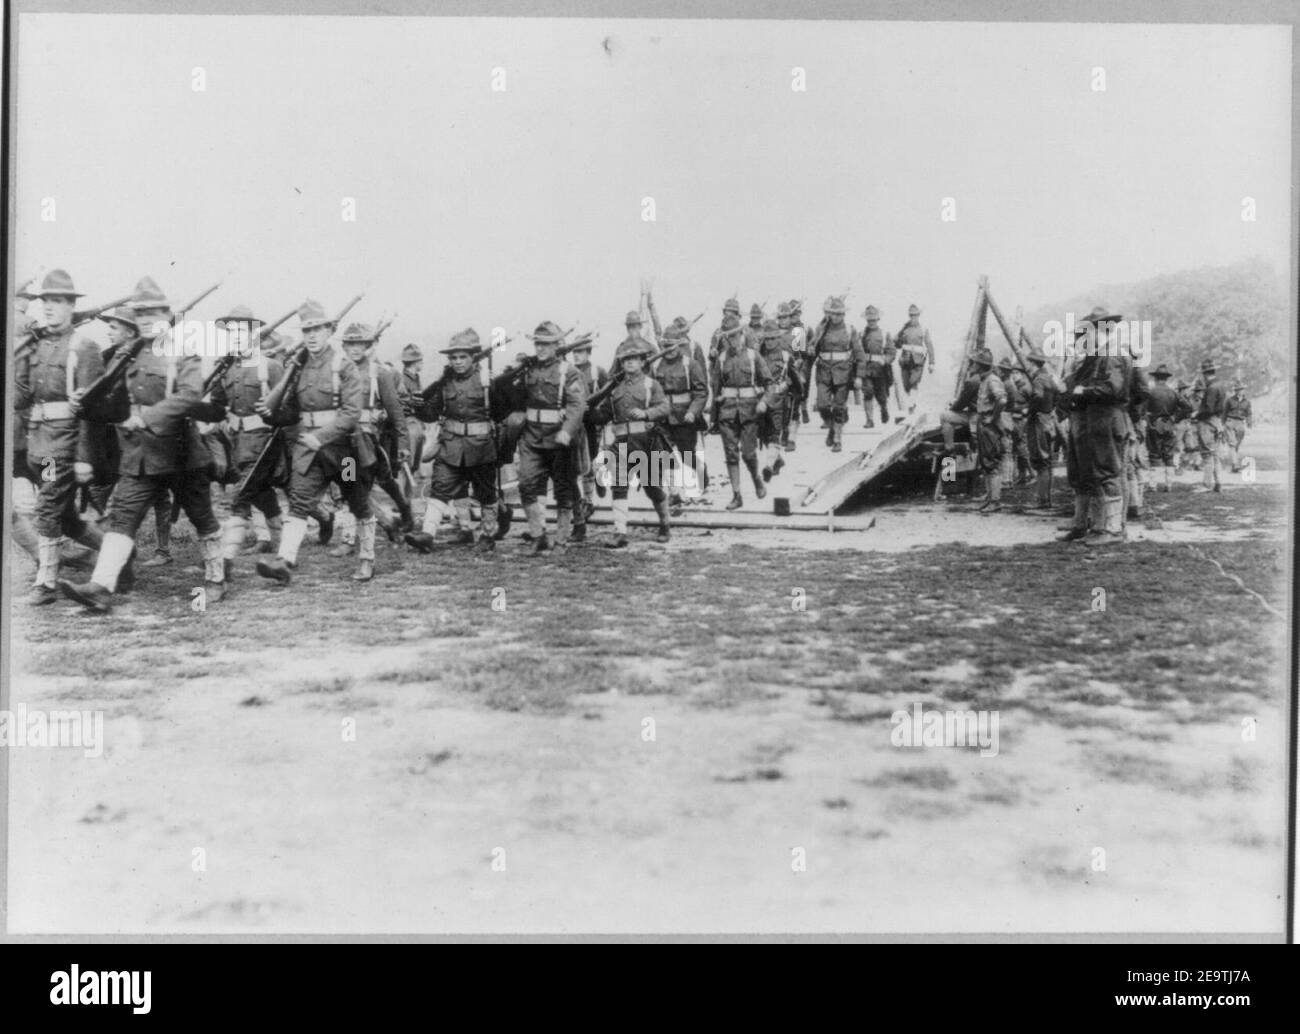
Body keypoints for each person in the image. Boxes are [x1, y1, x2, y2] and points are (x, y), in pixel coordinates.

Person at [61, 276, 226, 611]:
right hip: (139, 456)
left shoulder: (183, 350)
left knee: (202, 517)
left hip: (180, 453)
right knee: (122, 519)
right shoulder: (129, 354)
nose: (147, 318)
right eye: (141, 313)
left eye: (153, 312)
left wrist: (148, 418)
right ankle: (101, 587)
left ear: (167, 313)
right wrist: (87, 401)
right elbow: (117, 404)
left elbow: (190, 395)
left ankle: (216, 578)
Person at [253, 299, 377, 584]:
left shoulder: (344, 366)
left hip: (344, 452)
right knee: (298, 503)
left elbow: (350, 414)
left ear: (329, 330)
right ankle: (284, 561)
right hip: (310, 452)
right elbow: (293, 411)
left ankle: (367, 559)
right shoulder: (298, 367)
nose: (311, 335)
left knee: (358, 503)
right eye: (306, 330)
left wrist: (319, 437)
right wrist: (272, 415)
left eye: (317, 329)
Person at [14, 270, 108, 605]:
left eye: (57, 301)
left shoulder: (84, 347)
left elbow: (92, 412)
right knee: (66, 518)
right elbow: (21, 398)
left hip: (65, 444)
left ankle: (46, 583)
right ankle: (119, 555)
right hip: (38, 443)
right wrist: (20, 356)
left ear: (71, 306)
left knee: (47, 509)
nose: (49, 308)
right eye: (45, 302)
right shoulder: (37, 345)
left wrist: (84, 457)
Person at [207, 304, 287, 582]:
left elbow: (290, 411)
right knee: (265, 498)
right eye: (232, 332)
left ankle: (226, 560)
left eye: (242, 331)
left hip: (267, 445)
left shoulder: (271, 366)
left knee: (238, 499)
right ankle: (289, 551)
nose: (237, 336)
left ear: (256, 334)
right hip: (238, 445)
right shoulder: (226, 369)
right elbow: (217, 407)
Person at [404, 328, 499, 552]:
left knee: (486, 492)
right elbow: (431, 413)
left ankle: (488, 535)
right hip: (451, 446)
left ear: (473, 357)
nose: (457, 362)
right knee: (440, 487)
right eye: (453, 357)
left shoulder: (487, 381)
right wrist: (418, 407)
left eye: (462, 357)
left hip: (481, 447)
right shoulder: (444, 382)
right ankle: (427, 534)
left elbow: (502, 412)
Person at [507, 321, 587, 553]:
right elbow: (513, 396)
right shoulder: (528, 370)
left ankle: (561, 539)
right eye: (538, 344)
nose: (541, 348)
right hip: (531, 437)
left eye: (546, 344)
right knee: (526, 484)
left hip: (558, 439)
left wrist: (567, 430)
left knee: (563, 489)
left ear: (557, 345)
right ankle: (537, 535)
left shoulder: (568, 372)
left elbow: (577, 405)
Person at [590, 338, 671, 547]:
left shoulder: (651, 384)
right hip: (621, 444)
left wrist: (646, 413)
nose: (629, 363)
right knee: (618, 485)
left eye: (634, 359)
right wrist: (587, 411)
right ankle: (620, 532)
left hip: (647, 441)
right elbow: (604, 415)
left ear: (643, 362)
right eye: (626, 360)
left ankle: (665, 523)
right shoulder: (614, 389)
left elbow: (664, 408)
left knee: (652, 487)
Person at [1057, 307, 1127, 544]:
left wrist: (1082, 390)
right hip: (1095, 421)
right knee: (1093, 473)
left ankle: (1113, 529)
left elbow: (1113, 389)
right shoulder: (1099, 356)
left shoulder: (1113, 354)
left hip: (1106, 420)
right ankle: (1097, 527)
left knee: (1107, 474)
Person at [711, 315, 776, 508]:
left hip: (750, 412)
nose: (733, 340)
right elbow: (716, 390)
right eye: (729, 337)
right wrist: (713, 419)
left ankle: (756, 478)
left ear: (742, 334)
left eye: (736, 335)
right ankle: (736, 495)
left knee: (748, 454)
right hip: (727, 414)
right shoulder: (721, 360)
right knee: (731, 454)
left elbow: (770, 384)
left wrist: (764, 401)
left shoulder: (753, 356)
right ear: (725, 339)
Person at [649, 321, 708, 513]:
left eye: (674, 346)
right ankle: (674, 492)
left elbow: (701, 392)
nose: (670, 351)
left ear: (680, 345)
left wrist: (693, 411)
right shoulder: (656, 365)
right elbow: (649, 391)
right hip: (663, 417)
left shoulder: (690, 364)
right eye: (666, 346)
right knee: (664, 454)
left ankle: (702, 479)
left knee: (687, 454)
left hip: (684, 416)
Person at [809, 296, 864, 452]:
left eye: (839, 314)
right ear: (829, 314)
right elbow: (813, 348)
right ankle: (832, 427)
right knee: (822, 405)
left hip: (843, 373)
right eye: (833, 313)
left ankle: (837, 439)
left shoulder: (849, 329)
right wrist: (810, 350)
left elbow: (859, 354)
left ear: (844, 315)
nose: (836, 317)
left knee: (839, 407)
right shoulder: (821, 329)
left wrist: (859, 376)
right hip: (824, 372)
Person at [568, 332, 608, 540]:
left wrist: (601, 415)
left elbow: (608, 393)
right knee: (576, 463)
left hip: (591, 422)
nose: (576, 355)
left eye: (580, 352)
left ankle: (589, 499)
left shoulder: (596, 371)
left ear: (588, 352)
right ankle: (585, 499)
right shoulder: (568, 371)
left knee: (590, 458)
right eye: (574, 352)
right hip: (574, 423)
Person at [1023, 346, 1061, 510]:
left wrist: (1030, 410)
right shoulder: (1049, 378)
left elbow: (1037, 396)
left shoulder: (1038, 379)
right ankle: (1045, 499)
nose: (1028, 366)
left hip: (1038, 420)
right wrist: (1050, 408)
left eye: (1029, 363)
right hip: (1048, 420)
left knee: (1040, 461)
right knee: (1047, 462)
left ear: (1034, 363)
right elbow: (1059, 394)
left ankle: (1043, 501)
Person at [970, 349, 1007, 512]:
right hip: (983, 422)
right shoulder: (985, 380)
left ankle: (995, 501)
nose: (972, 366)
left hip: (989, 425)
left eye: (974, 363)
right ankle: (990, 498)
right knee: (986, 463)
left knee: (992, 463)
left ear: (980, 365)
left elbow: (1002, 400)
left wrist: (992, 418)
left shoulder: (992, 380)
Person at [1144, 364, 1187, 493]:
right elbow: (1188, 407)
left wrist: (1148, 420)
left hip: (1154, 425)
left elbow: (1142, 409)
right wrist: (1175, 418)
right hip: (1169, 424)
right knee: (1169, 455)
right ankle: (1169, 485)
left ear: (1156, 378)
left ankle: (1153, 485)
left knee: (1154, 454)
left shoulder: (1150, 392)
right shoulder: (1173, 393)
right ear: (1166, 378)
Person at [1192, 358, 1227, 493]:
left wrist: (1196, 414)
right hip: (1217, 422)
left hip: (1207, 422)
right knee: (1215, 454)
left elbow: (1208, 408)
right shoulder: (1221, 386)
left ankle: (1206, 484)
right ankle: (1218, 483)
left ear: (1205, 374)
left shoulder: (1211, 388)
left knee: (1207, 455)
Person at [858, 305, 895, 427]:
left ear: (878, 320)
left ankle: (884, 408)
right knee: (867, 392)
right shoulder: (862, 334)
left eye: (874, 320)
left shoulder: (884, 334)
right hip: (866, 368)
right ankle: (869, 420)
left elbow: (891, 351)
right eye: (869, 320)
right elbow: (857, 350)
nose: (871, 322)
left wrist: (886, 360)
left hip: (880, 369)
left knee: (881, 395)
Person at [895, 304, 935, 413]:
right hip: (905, 360)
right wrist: (897, 338)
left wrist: (932, 363)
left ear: (918, 316)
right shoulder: (904, 329)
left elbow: (929, 345)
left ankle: (911, 405)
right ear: (909, 316)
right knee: (906, 385)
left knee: (914, 382)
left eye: (915, 315)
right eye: (911, 315)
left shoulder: (923, 329)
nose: (913, 318)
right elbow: (897, 344)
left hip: (918, 361)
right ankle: (911, 403)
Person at [1224, 380, 1252, 472]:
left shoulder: (1247, 402)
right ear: (1235, 391)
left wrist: (1249, 423)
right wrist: (1221, 425)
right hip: (1230, 422)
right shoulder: (1229, 400)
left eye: (1241, 389)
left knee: (1236, 444)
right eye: (1237, 390)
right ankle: (1235, 464)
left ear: (1243, 390)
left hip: (1240, 423)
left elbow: (1249, 413)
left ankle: (1233, 464)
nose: (1239, 391)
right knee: (1232, 444)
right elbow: (1224, 413)